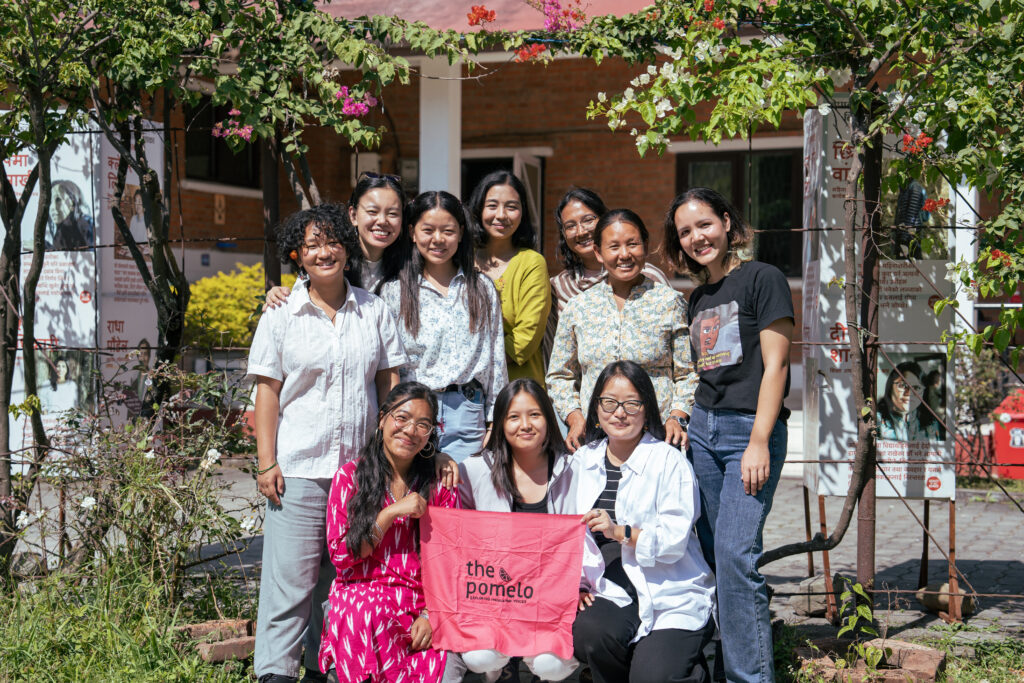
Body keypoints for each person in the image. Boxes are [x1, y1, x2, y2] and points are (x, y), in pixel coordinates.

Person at [247, 203, 408, 683]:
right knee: (289, 585)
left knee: (342, 578)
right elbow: (268, 391)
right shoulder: (281, 314)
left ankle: (325, 669)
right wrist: (266, 462)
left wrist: (388, 458)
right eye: (312, 244)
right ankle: (275, 673)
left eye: (332, 241)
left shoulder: (373, 310)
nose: (324, 252)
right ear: (297, 255)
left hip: (357, 473)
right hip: (298, 470)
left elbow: (389, 382)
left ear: (347, 247)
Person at [665, 187, 794, 683]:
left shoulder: (763, 278)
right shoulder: (698, 297)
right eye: (686, 232)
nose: (697, 237)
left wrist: (760, 440)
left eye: (704, 224)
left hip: (748, 431)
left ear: (725, 221)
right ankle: (727, 665)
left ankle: (751, 677)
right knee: (717, 557)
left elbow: (777, 365)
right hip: (703, 431)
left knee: (737, 556)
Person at [573, 361, 715, 683]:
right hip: (610, 585)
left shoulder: (669, 461)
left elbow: (674, 542)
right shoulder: (582, 460)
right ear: (596, 409)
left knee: (652, 677)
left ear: (647, 408)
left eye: (631, 404)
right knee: (589, 634)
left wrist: (619, 531)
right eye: (609, 403)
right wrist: (576, 585)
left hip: (668, 587)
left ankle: (686, 672)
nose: (619, 413)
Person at [319, 382, 460, 683]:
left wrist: (430, 615)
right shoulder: (349, 478)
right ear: (383, 419)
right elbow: (342, 556)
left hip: (419, 604)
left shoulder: (439, 486)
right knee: (365, 610)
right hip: (361, 595)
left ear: (430, 434)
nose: (410, 430)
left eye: (422, 425)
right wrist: (389, 513)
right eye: (402, 418)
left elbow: (451, 563)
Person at [446, 378, 580, 682]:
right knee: (479, 656)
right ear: (500, 423)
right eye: (514, 417)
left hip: (551, 598)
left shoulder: (572, 469)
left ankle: (541, 673)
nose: (525, 425)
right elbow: (453, 528)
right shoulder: (475, 469)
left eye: (535, 415)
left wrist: (582, 583)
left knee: (551, 665)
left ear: (549, 418)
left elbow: (584, 538)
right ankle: (501, 669)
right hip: (496, 595)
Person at [546, 208, 696, 452]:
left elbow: (688, 373)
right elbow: (559, 375)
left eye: (632, 244)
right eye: (614, 246)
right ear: (598, 252)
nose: (624, 254)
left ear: (645, 245)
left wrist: (676, 417)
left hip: (658, 439)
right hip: (595, 440)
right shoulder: (578, 307)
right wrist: (574, 417)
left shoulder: (670, 302)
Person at [379, 190, 506, 463]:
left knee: (464, 489)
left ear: (460, 233)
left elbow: (496, 360)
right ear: (412, 233)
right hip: (411, 414)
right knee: (415, 489)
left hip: (467, 413)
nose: (438, 239)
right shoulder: (393, 291)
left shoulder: (481, 288)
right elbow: (386, 365)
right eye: (428, 230)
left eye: (448, 231)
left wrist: (494, 420)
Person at [544, 188, 672, 361]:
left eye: (588, 220)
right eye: (570, 226)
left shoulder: (649, 276)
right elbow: (555, 354)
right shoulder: (557, 288)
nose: (581, 231)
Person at [264, 173, 407, 306]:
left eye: (393, 213)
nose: (382, 221)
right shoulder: (332, 258)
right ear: (353, 215)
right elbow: (302, 297)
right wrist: (278, 295)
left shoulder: (410, 264)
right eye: (372, 211)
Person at [470, 171, 551, 388]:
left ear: (522, 212)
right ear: (479, 209)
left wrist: (474, 362)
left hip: (519, 390)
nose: (501, 215)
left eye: (511, 207)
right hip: (465, 392)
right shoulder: (463, 261)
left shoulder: (531, 262)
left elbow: (526, 336)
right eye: (492, 205)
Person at [878, 361, 944, 441]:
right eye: (902, 385)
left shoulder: (931, 423)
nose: (909, 393)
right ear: (890, 387)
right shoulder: (875, 421)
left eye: (916, 388)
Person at [48, 180, 94, 250]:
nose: (52, 207)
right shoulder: (59, 234)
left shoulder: (87, 224)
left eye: (58, 200)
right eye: (49, 201)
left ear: (73, 203)